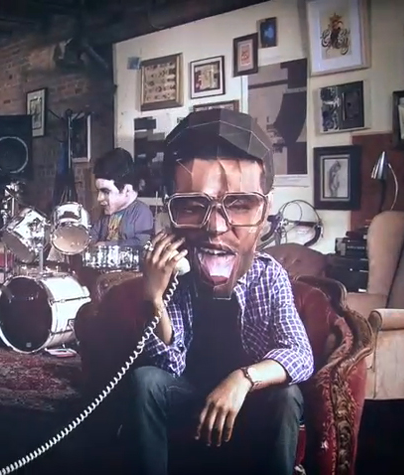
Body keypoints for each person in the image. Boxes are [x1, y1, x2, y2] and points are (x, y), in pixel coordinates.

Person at [129, 109, 313, 475]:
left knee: (288, 395)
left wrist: (241, 380)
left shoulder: (269, 277)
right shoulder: (176, 277)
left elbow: (300, 355)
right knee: (145, 380)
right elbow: (169, 365)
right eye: (192, 205)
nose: (214, 227)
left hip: (247, 402)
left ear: (266, 211)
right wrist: (154, 298)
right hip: (189, 395)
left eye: (240, 205)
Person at [89, 148, 154, 247]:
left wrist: (107, 245)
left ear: (127, 190)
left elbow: (141, 243)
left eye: (105, 192)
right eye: (98, 191)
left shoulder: (141, 212)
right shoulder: (106, 213)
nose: (99, 198)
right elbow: (93, 234)